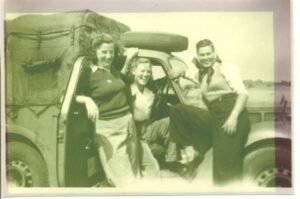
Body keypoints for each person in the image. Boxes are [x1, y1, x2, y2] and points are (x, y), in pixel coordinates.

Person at [75, 33, 141, 187]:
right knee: (125, 180)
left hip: (128, 123)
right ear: (95, 52)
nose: (108, 56)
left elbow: (122, 79)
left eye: (111, 52)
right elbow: (67, 96)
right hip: (109, 129)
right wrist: (86, 99)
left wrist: (129, 58)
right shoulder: (88, 74)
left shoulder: (113, 69)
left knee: (134, 171)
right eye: (104, 52)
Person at [188, 39, 251, 185]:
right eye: (202, 55)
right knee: (219, 162)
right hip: (216, 117)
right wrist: (178, 72)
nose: (206, 57)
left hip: (232, 116)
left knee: (226, 165)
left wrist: (233, 117)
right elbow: (188, 74)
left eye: (208, 53)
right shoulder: (200, 74)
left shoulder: (226, 68)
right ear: (198, 56)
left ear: (214, 53)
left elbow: (243, 94)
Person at [121, 52, 183, 175]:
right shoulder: (127, 90)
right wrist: (128, 59)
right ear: (133, 71)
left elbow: (169, 77)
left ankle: (171, 161)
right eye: (142, 71)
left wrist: (179, 71)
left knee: (172, 121)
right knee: (155, 155)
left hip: (148, 127)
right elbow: (119, 77)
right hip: (134, 132)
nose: (145, 75)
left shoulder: (151, 90)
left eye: (148, 72)